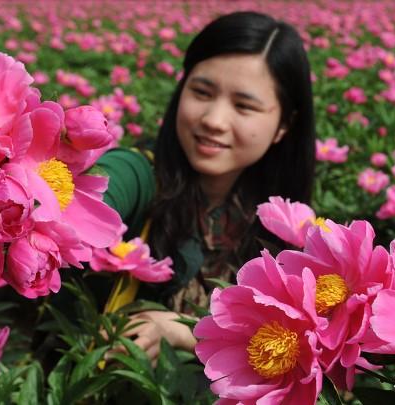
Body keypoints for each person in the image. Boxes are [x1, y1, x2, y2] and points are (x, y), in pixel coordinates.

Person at [97, 11, 316, 362]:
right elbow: (95, 192)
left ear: (283, 126)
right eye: (201, 91)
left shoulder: (287, 229)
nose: (213, 120)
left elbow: (303, 347)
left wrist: (182, 330)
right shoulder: (138, 174)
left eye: (244, 105)